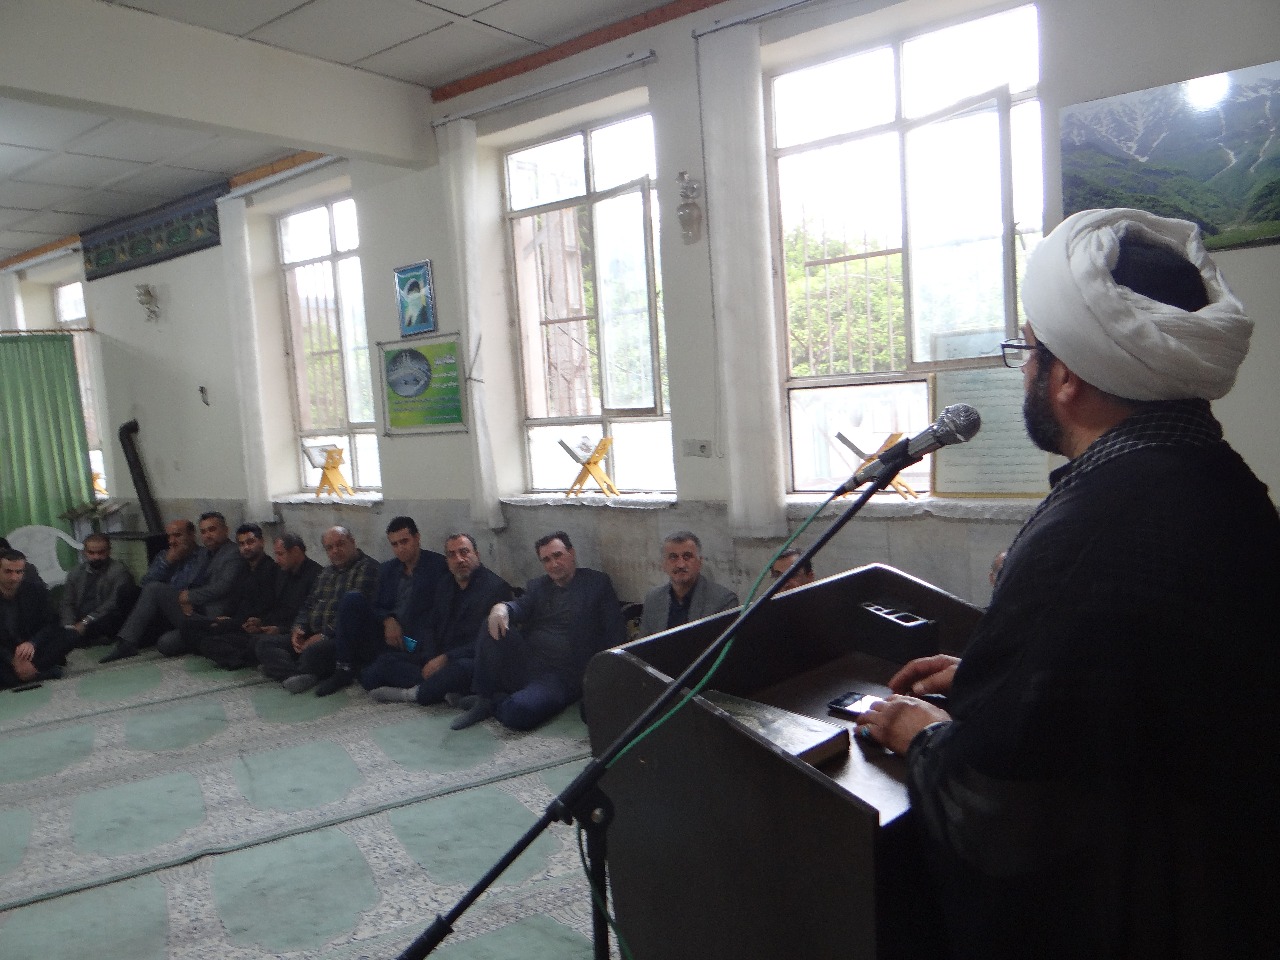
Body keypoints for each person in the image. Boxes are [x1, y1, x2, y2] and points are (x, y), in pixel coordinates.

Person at [856, 209, 1280, 959]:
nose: (1022, 368)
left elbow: (1001, 809)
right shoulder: (1229, 486)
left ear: (1067, 378)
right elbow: (1137, 684)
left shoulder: (1091, 529)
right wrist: (996, 677)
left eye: (1028, 350)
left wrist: (925, 737)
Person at [451, 531, 626, 731]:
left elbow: (615, 632)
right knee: (492, 621)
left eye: (558, 555)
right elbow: (520, 606)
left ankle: (494, 702)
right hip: (528, 660)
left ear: (571, 553)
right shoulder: (538, 586)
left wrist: (604, 678)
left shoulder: (596, 584)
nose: (553, 564)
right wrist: (502, 608)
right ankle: (483, 698)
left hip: (562, 675)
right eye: (546, 560)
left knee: (517, 713)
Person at [367, 532, 514, 705]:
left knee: (461, 670)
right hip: (438, 656)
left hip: (467, 659)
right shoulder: (445, 584)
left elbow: (488, 641)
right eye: (452, 555)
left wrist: (445, 658)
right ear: (447, 561)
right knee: (380, 667)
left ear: (477, 554)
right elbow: (431, 625)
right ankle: (442, 690)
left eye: (464, 552)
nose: (459, 559)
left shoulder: (496, 589)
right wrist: (430, 658)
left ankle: (414, 694)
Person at [308, 516, 448, 697]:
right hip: (386, 637)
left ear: (417, 538)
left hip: (417, 642)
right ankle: (344, 669)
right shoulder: (388, 569)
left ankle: (424, 684)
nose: (400, 548)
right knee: (352, 599)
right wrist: (388, 619)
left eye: (404, 541)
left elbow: (440, 613)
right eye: (395, 544)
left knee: (371, 676)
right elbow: (376, 605)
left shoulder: (437, 567)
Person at [99, 513, 239, 661]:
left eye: (177, 535)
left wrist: (186, 596)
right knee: (136, 591)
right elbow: (145, 585)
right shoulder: (164, 556)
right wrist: (168, 562)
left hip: (190, 610)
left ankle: (206, 637)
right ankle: (126, 643)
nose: (172, 541)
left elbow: (214, 586)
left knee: (165, 644)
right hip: (162, 609)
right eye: (204, 532)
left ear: (191, 536)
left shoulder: (206, 556)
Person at [258, 526, 378, 694]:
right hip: (311, 634)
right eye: (329, 547)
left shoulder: (367, 568)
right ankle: (298, 673)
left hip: (340, 638)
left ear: (352, 542)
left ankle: (293, 670)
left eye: (340, 544)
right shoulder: (326, 572)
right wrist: (298, 629)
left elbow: (355, 614)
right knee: (264, 643)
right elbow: (308, 604)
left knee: (315, 652)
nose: (335, 551)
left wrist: (323, 635)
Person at [184, 523, 278, 667]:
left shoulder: (271, 570)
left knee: (208, 642)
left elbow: (266, 605)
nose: (246, 547)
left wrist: (242, 622)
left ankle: (243, 657)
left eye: (250, 542)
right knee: (190, 626)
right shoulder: (243, 569)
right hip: (235, 620)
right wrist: (225, 616)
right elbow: (235, 598)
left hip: (251, 624)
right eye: (242, 544)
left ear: (261, 542)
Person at [637, 531, 738, 637]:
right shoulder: (653, 599)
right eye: (673, 557)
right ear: (664, 564)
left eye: (687, 556)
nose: (680, 565)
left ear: (699, 562)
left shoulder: (723, 601)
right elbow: (643, 643)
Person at [1, 550, 75, 687]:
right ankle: (39, 673)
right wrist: (12, 660)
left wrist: (32, 643)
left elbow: (52, 623)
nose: (14, 578)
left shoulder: (35, 590)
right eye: (8, 572)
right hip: (5, 653)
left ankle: (25, 674)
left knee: (70, 635)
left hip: (33, 648)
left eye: (19, 572)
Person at [58, 532, 138, 646]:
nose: (96, 557)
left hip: (102, 618)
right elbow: (67, 602)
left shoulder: (119, 571)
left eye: (101, 552)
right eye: (91, 553)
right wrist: (69, 626)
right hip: (79, 617)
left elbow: (113, 603)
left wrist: (85, 622)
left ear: (109, 551)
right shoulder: (76, 573)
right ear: (84, 553)